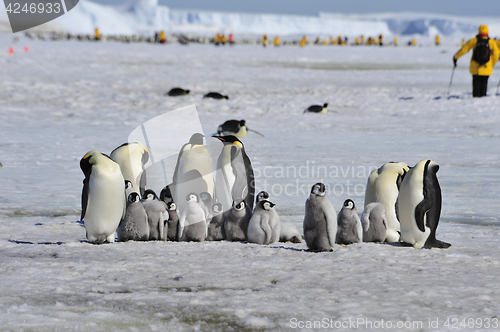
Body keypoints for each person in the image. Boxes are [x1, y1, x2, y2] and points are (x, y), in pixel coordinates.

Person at [453, 25, 499, 97]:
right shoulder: (491, 42)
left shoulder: (474, 41)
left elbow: (464, 50)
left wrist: (456, 57)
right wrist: (491, 64)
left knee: (476, 84)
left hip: (475, 68)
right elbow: (496, 55)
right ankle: (483, 99)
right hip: (486, 67)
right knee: (484, 84)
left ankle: (475, 99)